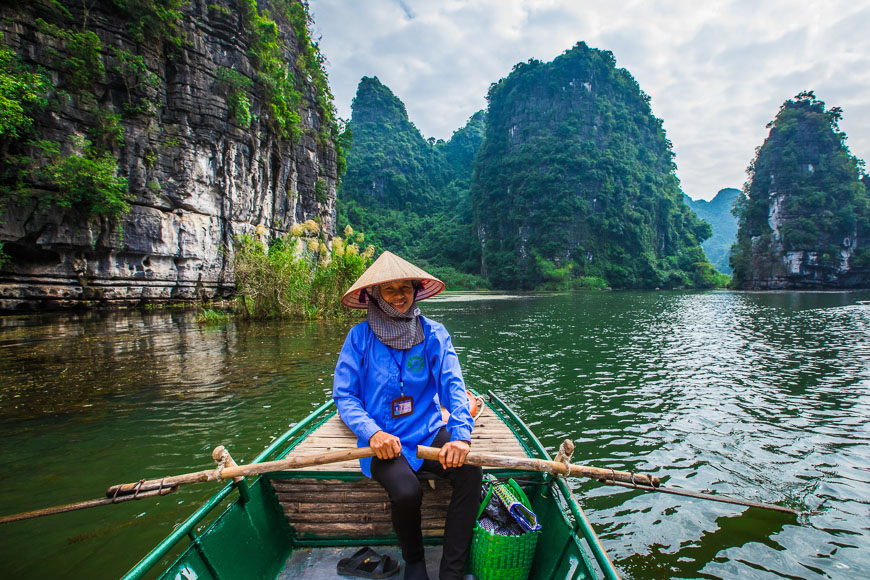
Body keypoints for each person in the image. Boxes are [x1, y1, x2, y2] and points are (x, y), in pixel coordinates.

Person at [333, 251, 483, 580]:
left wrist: (460, 436)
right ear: (374, 295)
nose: (400, 295)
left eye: (406, 287)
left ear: (416, 291)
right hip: (383, 441)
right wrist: (372, 433)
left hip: (427, 433)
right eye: (390, 289)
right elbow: (345, 395)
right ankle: (414, 560)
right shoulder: (359, 338)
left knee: (470, 471)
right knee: (406, 491)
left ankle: (452, 570)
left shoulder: (434, 334)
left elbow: (454, 388)